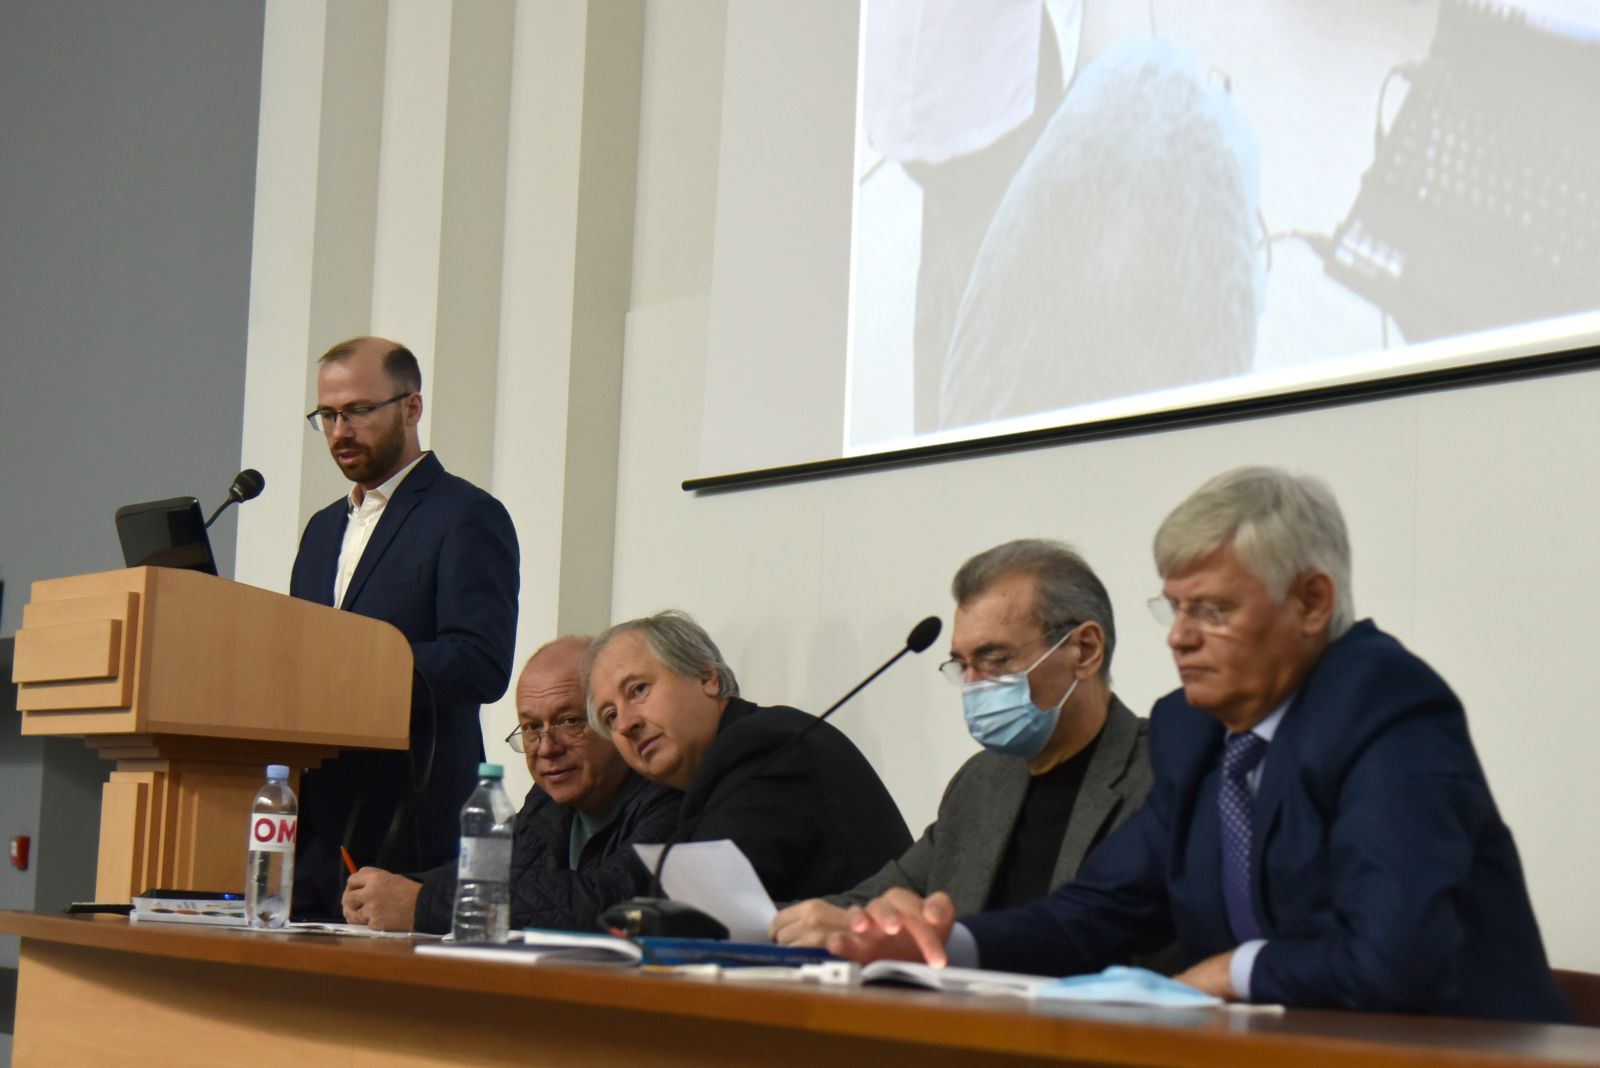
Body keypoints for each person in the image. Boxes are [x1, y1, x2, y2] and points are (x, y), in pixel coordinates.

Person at [831, 467, 1571, 1023]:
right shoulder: (1194, 732)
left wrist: (1230, 972)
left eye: (1212, 610)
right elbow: (1097, 911)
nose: (1180, 638)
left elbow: (1392, 957)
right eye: (1175, 608)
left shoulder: (1385, 706)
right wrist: (944, 946)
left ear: (1311, 602)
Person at [771, 539, 1153, 948]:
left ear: (1085, 650)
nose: (973, 685)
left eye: (995, 659)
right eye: (962, 664)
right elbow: (868, 904)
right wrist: (753, 920)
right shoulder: (982, 780)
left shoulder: (1163, 772)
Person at [290, 336, 520, 919]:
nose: (340, 431)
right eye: (327, 416)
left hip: (411, 823)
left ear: (412, 407)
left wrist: (358, 668)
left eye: (358, 411)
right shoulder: (320, 530)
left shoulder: (466, 515)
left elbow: (481, 662)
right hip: (315, 831)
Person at [341, 638, 681, 933]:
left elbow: (608, 899)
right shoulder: (548, 799)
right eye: (531, 727)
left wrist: (422, 904)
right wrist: (396, 889)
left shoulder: (668, 791)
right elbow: (493, 875)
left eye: (568, 721)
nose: (547, 748)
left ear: (611, 718)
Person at [583, 611, 912, 902]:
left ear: (707, 677)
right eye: (610, 716)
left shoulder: (762, 748)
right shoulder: (712, 772)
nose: (625, 724)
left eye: (638, 690)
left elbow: (702, 911)